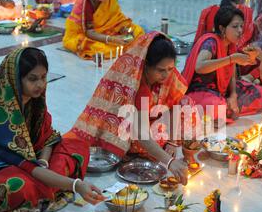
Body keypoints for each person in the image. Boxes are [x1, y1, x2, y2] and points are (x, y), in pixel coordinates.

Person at [0, 48, 105, 212]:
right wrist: (76, 185)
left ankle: (48, 185)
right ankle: (49, 185)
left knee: (78, 147)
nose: (40, 85)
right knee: (20, 187)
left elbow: (47, 137)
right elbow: (27, 166)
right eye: (32, 79)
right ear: (16, 80)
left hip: (28, 160)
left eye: (44, 77)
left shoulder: (33, 100)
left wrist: (44, 163)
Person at [67, 32, 192, 185]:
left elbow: (176, 104)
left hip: (148, 119)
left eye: (171, 68)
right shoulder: (139, 87)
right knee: (145, 143)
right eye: (161, 70)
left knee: (187, 105)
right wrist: (170, 162)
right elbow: (141, 134)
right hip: (122, 126)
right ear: (146, 65)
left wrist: (172, 142)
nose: (166, 75)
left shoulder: (168, 75)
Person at [183, 6, 262, 121]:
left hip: (222, 91)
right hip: (201, 91)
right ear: (222, 28)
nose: (240, 30)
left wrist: (233, 95)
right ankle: (226, 108)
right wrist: (231, 59)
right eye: (235, 26)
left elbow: (231, 76)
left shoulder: (231, 45)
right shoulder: (211, 42)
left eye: (241, 26)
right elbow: (199, 66)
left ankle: (228, 106)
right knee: (216, 107)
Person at [63, 0, 144, 60]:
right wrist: (111, 39)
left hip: (109, 30)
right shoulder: (85, 4)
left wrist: (125, 29)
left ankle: (123, 42)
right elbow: (89, 32)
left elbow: (117, 18)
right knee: (101, 49)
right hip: (86, 34)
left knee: (138, 31)